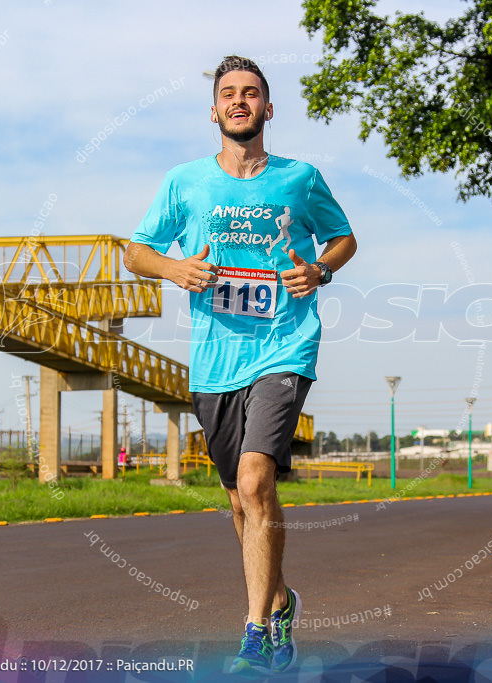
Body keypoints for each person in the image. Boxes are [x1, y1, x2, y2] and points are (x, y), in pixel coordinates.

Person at [124, 55, 357, 674]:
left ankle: (254, 629)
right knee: (237, 499)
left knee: (257, 482)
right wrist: (174, 268)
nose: (239, 102)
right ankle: (279, 600)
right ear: (214, 110)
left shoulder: (299, 178)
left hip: (285, 343)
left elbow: (344, 238)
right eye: (228, 93)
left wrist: (320, 269)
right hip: (216, 359)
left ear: (267, 109)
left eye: (250, 94)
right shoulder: (186, 182)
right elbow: (136, 251)